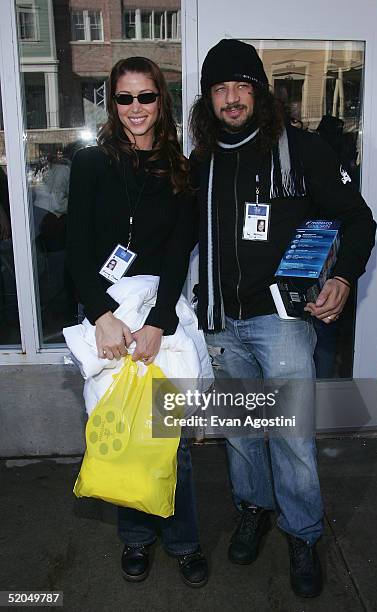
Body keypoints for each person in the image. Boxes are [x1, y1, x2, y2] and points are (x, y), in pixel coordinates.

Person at [189, 39, 376, 598]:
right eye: (219, 89)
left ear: (259, 92)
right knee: (244, 436)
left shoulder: (301, 150)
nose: (230, 99)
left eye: (241, 86)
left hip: (282, 322)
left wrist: (343, 278)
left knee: (291, 436)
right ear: (207, 100)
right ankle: (254, 511)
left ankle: (303, 534)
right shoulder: (201, 162)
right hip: (222, 322)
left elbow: (357, 219)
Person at [67, 56, 207, 588]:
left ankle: (184, 540)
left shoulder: (182, 168)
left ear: (161, 101)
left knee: (168, 437)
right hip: (105, 313)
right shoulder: (91, 163)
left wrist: (160, 323)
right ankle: (136, 539)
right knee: (117, 433)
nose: (135, 109)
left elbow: (178, 252)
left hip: (160, 311)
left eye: (145, 97)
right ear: (113, 102)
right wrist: (101, 316)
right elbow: (77, 247)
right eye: (124, 99)